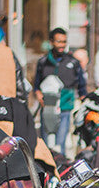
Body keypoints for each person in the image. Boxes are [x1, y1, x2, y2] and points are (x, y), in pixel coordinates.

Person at [33, 27, 85, 156]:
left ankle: (58, 171)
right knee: (46, 143)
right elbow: (36, 85)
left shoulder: (73, 62)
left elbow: (81, 86)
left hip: (65, 107)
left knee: (60, 144)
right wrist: (39, 95)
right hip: (48, 107)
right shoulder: (43, 62)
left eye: (64, 42)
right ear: (51, 41)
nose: (62, 45)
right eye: (58, 41)